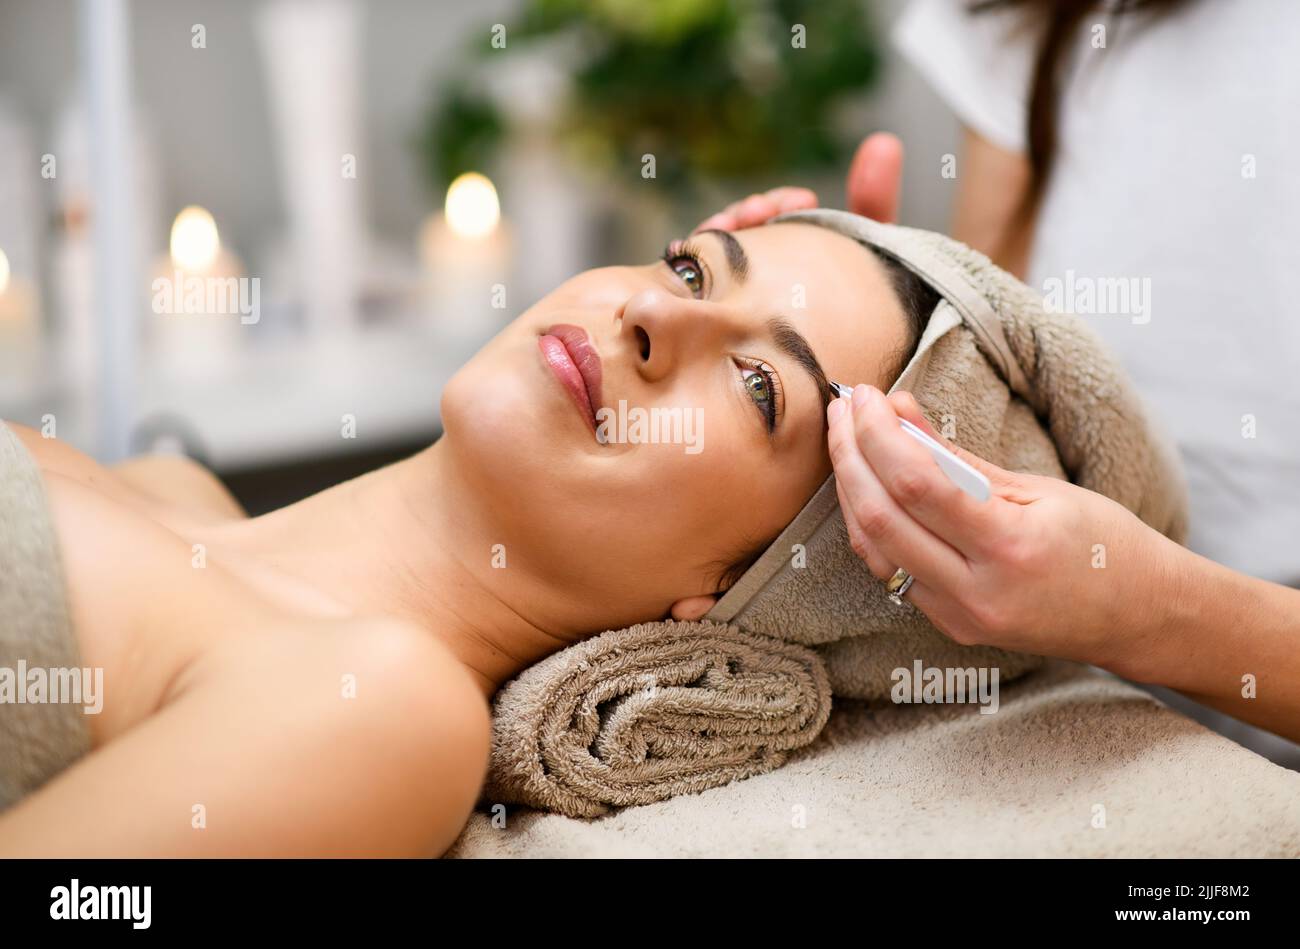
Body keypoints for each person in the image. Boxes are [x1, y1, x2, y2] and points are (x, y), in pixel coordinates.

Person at [0, 220, 928, 856]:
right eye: (693, 269)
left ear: (733, 594)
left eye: (758, 384)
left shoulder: (391, 709)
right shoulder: (175, 486)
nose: (654, 315)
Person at [698, 0, 1300, 761]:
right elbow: (993, 346)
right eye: (688, 271)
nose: (649, 312)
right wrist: (892, 313)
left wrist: (1147, 612)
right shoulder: (1033, 19)